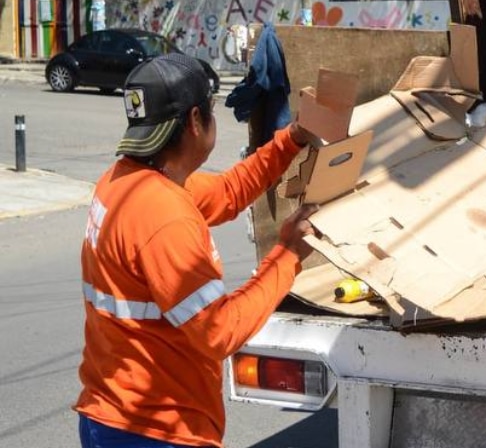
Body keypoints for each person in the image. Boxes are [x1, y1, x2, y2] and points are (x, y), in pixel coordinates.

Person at [74, 52, 317, 448]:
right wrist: (288, 255)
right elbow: (218, 332)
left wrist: (292, 139)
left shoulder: (125, 180)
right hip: (156, 430)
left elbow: (227, 193)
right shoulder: (164, 217)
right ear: (195, 121)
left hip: (112, 416)